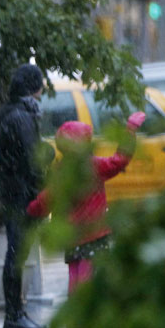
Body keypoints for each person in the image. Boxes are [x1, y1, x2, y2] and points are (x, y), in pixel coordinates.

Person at [27, 112, 145, 294]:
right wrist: (130, 132)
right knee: (86, 280)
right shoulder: (94, 166)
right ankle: (84, 308)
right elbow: (118, 161)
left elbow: (47, 199)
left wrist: (30, 210)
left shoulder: (62, 171)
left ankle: (75, 308)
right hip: (94, 233)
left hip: (72, 236)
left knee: (75, 276)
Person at [0, 63, 50, 328]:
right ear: (33, 87)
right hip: (21, 195)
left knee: (16, 253)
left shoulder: (11, 112)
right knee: (17, 254)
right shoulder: (22, 117)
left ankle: (15, 313)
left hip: (13, 192)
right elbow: (32, 159)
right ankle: (14, 314)